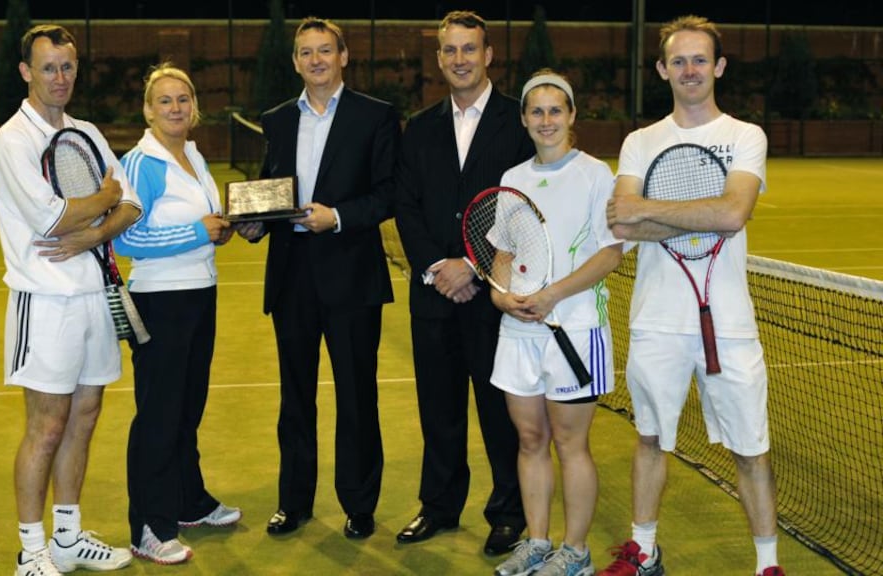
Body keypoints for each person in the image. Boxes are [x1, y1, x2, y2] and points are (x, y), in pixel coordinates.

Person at [600, 15, 784, 576]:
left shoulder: (745, 136)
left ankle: (767, 566)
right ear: (661, 70)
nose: (689, 70)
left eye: (699, 59)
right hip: (657, 320)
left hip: (728, 322)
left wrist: (654, 208)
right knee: (651, 438)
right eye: (677, 61)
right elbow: (622, 225)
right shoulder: (641, 142)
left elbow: (733, 212)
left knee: (750, 449)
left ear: (719, 66)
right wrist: (702, 214)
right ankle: (644, 551)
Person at [235, 16, 400, 540]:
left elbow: (389, 192)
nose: (316, 60)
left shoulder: (376, 117)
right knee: (295, 397)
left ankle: (358, 503)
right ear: (296, 61)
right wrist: (255, 222)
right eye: (306, 53)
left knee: (357, 396)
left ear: (343, 56)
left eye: (325, 50)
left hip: (352, 278)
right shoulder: (278, 119)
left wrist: (340, 216)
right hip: (292, 278)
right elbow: (269, 188)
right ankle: (294, 502)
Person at [0, 24, 140, 576]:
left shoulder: (86, 131)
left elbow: (133, 205)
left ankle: (69, 538)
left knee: (86, 416)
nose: (60, 77)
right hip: (44, 302)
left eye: (68, 66)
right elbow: (55, 215)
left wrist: (97, 229)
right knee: (47, 426)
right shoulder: (13, 140)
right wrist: (103, 199)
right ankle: (31, 551)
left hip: (94, 297)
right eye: (48, 67)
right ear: (26, 72)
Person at [392, 10, 534, 556]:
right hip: (433, 293)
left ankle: (507, 512)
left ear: (488, 54)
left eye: (468, 49)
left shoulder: (516, 122)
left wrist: (472, 267)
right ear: (439, 58)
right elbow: (406, 205)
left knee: (499, 410)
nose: (459, 60)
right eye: (449, 51)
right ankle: (440, 506)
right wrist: (436, 267)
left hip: (492, 294)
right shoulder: (421, 126)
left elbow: (520, 207)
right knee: (439, 406)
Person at [490, 70, 623, 576]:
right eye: (536, 111)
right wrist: (503, 297)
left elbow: (610, 254)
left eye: (555, 110)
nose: (546, 121)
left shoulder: (595, 174)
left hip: (576, 329)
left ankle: (577, 551)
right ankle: (539, 541)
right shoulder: (512, 179)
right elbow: (503, 252)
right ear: (524, 119)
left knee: (571, 444)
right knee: (529, 440)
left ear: (571, 116)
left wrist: (552, 296)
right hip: (520, 331)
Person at [112, 62, 241, 566]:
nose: (174, 108)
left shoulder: (192, 153)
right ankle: (149, 525)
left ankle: (190, 501)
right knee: (159, 417)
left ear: (194, 107)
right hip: (159, 302)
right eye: (164, 101)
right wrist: (196, 233)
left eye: (182, 100)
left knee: (187, 409)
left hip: (198, 296)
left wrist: (219, 229)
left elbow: (201, 221)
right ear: (148, 109)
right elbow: (124, 239)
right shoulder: (141, 163)